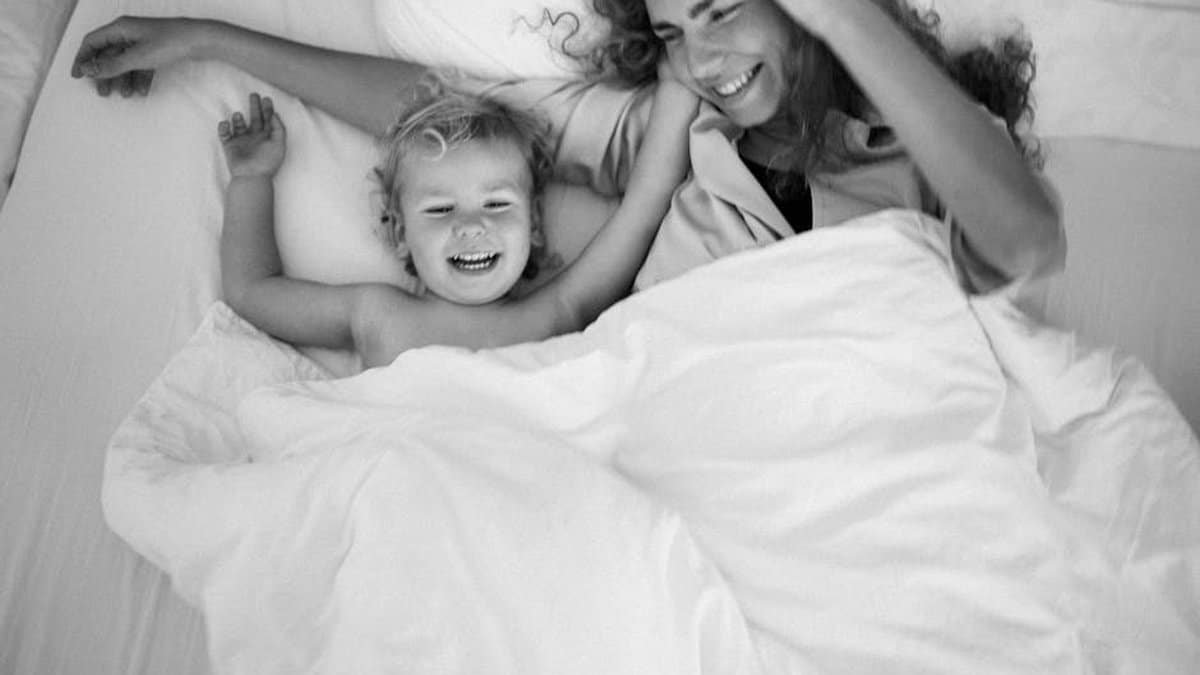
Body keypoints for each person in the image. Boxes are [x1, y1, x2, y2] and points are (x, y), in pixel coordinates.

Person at [72, 0, 1063, 298]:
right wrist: (211, 39)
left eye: (719, 10)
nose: (704, 57)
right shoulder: (672, 131)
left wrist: (848, 23)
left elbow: (1026, 244)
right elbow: (444, 112)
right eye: (676, 32)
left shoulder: (919, 154)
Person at [214, 77, 696, 368]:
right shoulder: (376, 315)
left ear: (533, 228)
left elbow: (645, 204)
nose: (470, 225)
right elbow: (252, 290)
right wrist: (252, 180)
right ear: (400, 234)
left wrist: (680, 80)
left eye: (497, 205)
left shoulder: (557, 311)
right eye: (441, 209)